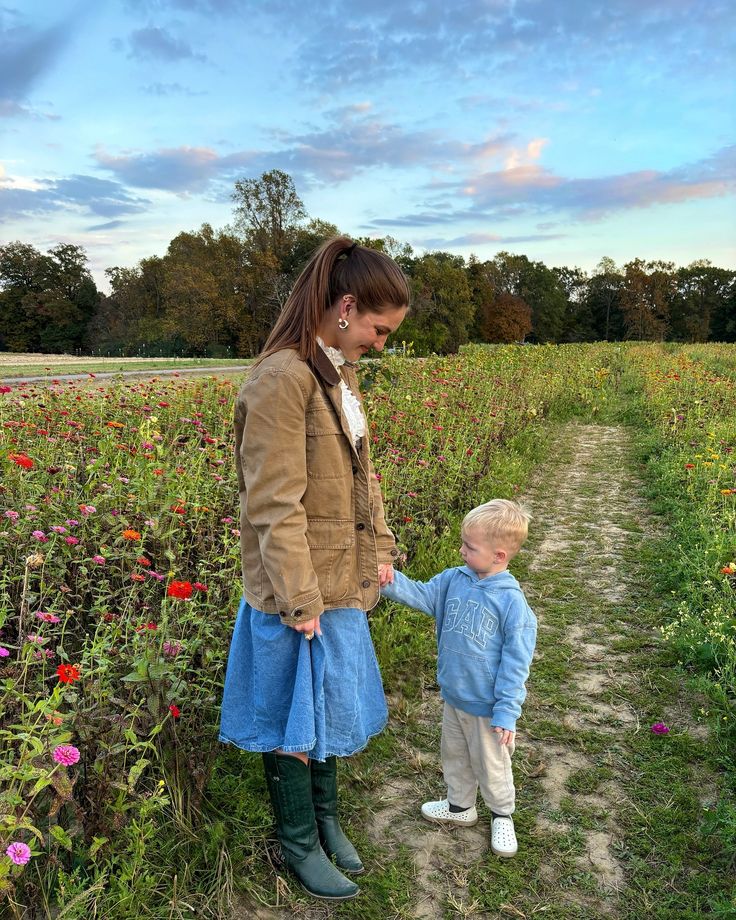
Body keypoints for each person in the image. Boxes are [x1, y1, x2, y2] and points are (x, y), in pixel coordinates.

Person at [219, 237, 409, 901]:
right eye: (379, 330)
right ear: (346, 307)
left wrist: (381, 548)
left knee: (326, 709)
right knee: (293, 720)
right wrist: (300, 601)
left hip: (341, 578)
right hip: (298, 591)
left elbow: (364, 478)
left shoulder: (337, 376)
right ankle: (298, 842)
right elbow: (272, 504)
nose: (381, 345)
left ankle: (326, 824)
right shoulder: (282, 378)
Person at [380, 499, 536, 858]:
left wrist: (507, 711)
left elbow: (516, 664)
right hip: (454, 695)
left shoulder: (512, 604)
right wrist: (388, 580)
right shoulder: (453, 580)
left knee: (491, 764)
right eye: (463, 543)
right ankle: (459, 806)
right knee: (455, 755)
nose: (461, 551)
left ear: (498, 555)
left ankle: (502, 815)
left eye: (470, 547)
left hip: (488, 707)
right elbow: (420, 594)